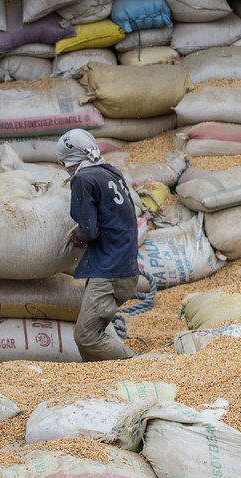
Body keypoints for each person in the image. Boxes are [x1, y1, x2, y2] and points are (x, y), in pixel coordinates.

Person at [56, 128, 139, 362]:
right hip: (125, 265)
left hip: (110, 270)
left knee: (87, 337)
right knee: (94, 333)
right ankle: (102, 381)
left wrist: (78, 236)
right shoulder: (110, 172)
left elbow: (89, 230)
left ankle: (140, 366)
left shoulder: (83, 178)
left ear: (69, 158)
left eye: (63, 161)